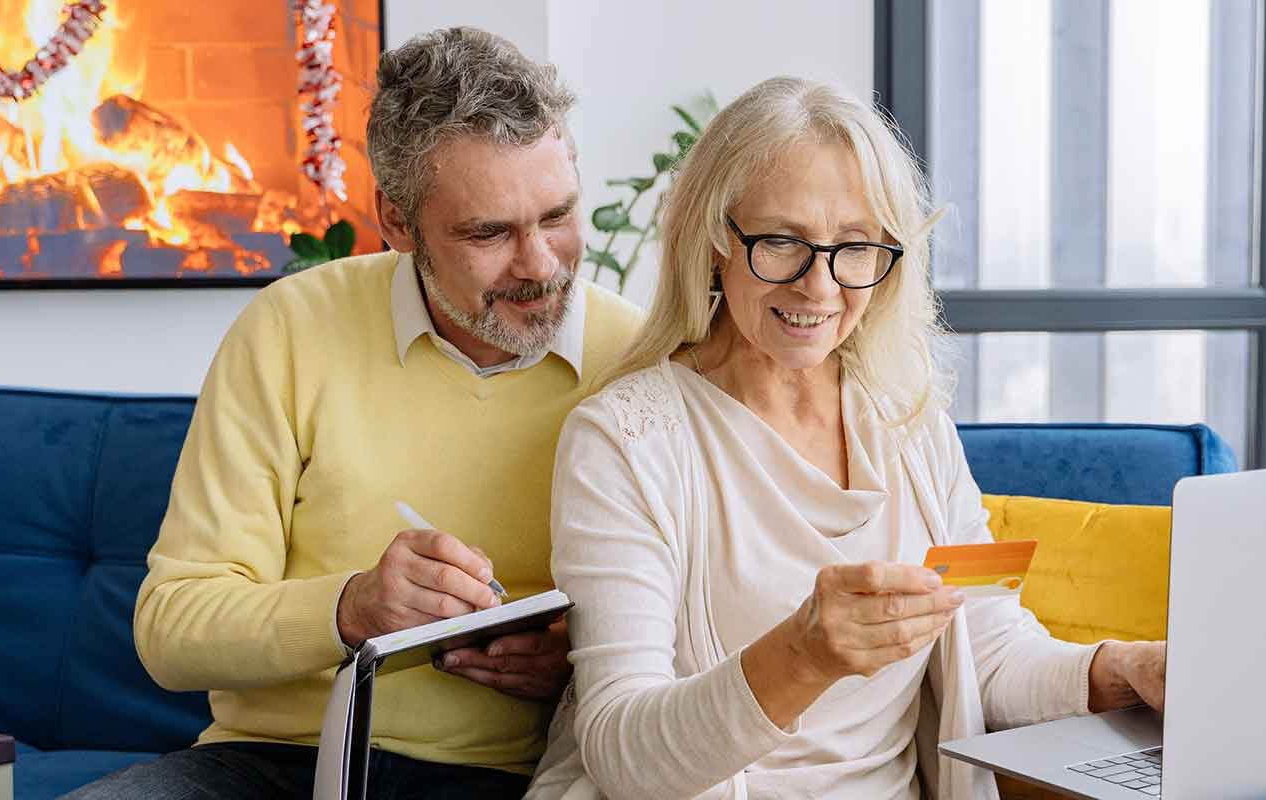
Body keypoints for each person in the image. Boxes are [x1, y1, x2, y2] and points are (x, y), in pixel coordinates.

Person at [526, 77, 1167, 800]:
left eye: (855, 247)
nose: (820, 288)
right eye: (781, 243)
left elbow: (988, 649)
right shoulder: (626, 441)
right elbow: (622, 756)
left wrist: (1124, 667)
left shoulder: (909, 421)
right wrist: (802, 656)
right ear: (713, 240)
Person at [67, 28, 642, 800]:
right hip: (266, 766)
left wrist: (574, 659)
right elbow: (171, 629)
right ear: (398, 225)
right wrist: (350, 607)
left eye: (557, 215)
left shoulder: (642, 358)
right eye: (489, 233)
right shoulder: (291, 326)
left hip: (509, 777)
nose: (540, 263)